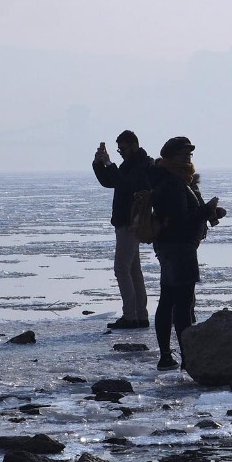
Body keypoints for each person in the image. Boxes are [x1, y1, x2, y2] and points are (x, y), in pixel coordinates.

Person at [149, 136, 226, 371]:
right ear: (170, 157)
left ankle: (168, 356)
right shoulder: (174, 182)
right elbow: (181, 220)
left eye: (189, 154)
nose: (188, 158)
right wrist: (207, 211)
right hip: (179, 248)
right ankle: (185, 356)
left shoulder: (175, 179)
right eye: (183, 154)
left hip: (170, 247)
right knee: (182, 304)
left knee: (169, 301)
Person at [92, 130, 154, 329]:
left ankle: (131, 315)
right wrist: (99, 165)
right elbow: (110, 182)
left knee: (122, 269)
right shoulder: (131, 164)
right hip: (125, 222)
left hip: (130, 223)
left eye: (123, 149)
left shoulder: (143, 165)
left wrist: (109, 164)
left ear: (134, 145)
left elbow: (126, 185)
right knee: (134, 270)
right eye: (118, 150)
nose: (120, 152)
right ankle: (139, 315)